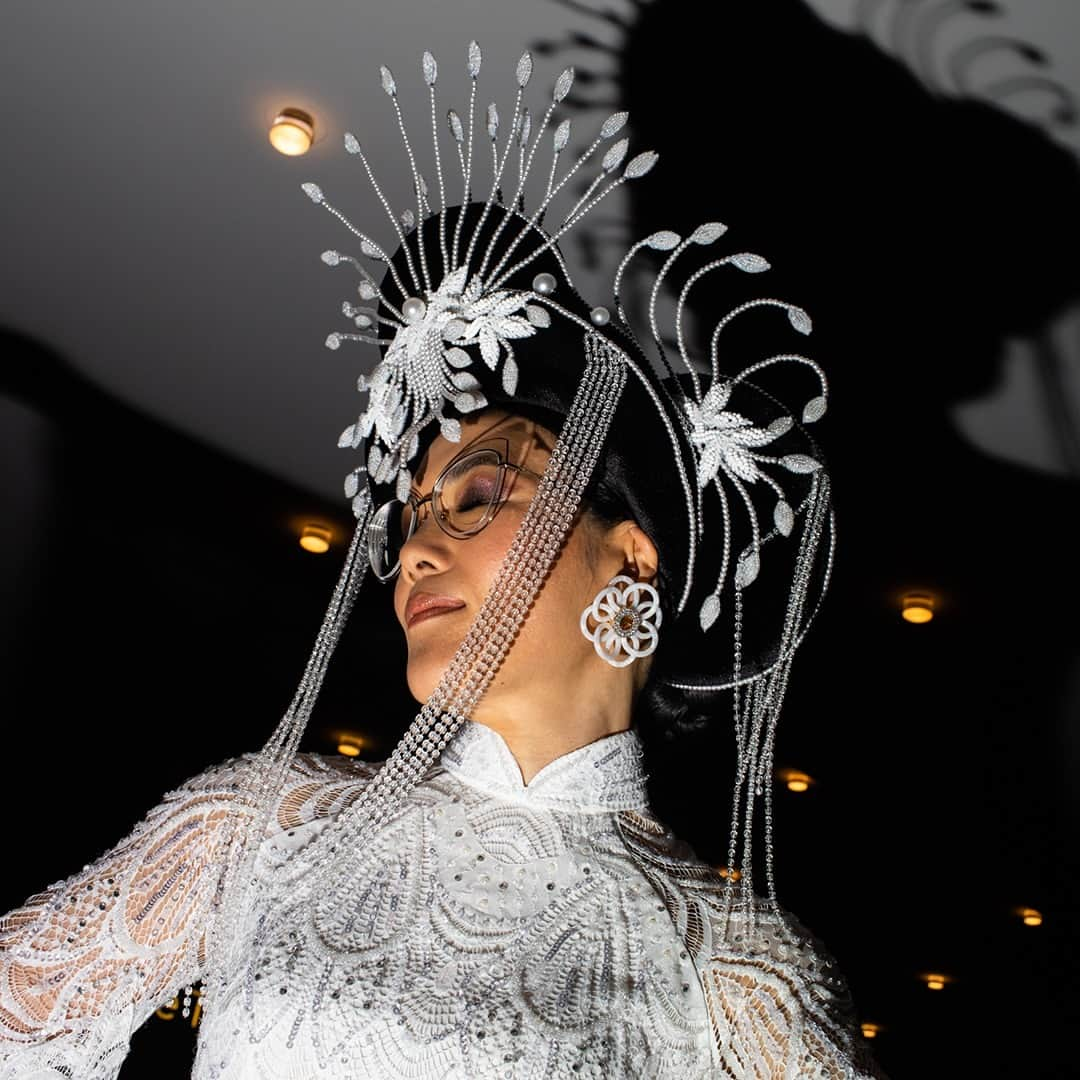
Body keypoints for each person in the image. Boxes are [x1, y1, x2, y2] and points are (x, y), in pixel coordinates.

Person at [0, 43, 885, 1078]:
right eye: (418, 513)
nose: (415, 551)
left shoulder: (737, 967)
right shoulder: (255, 826)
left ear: (630, 559)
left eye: (477, 495)